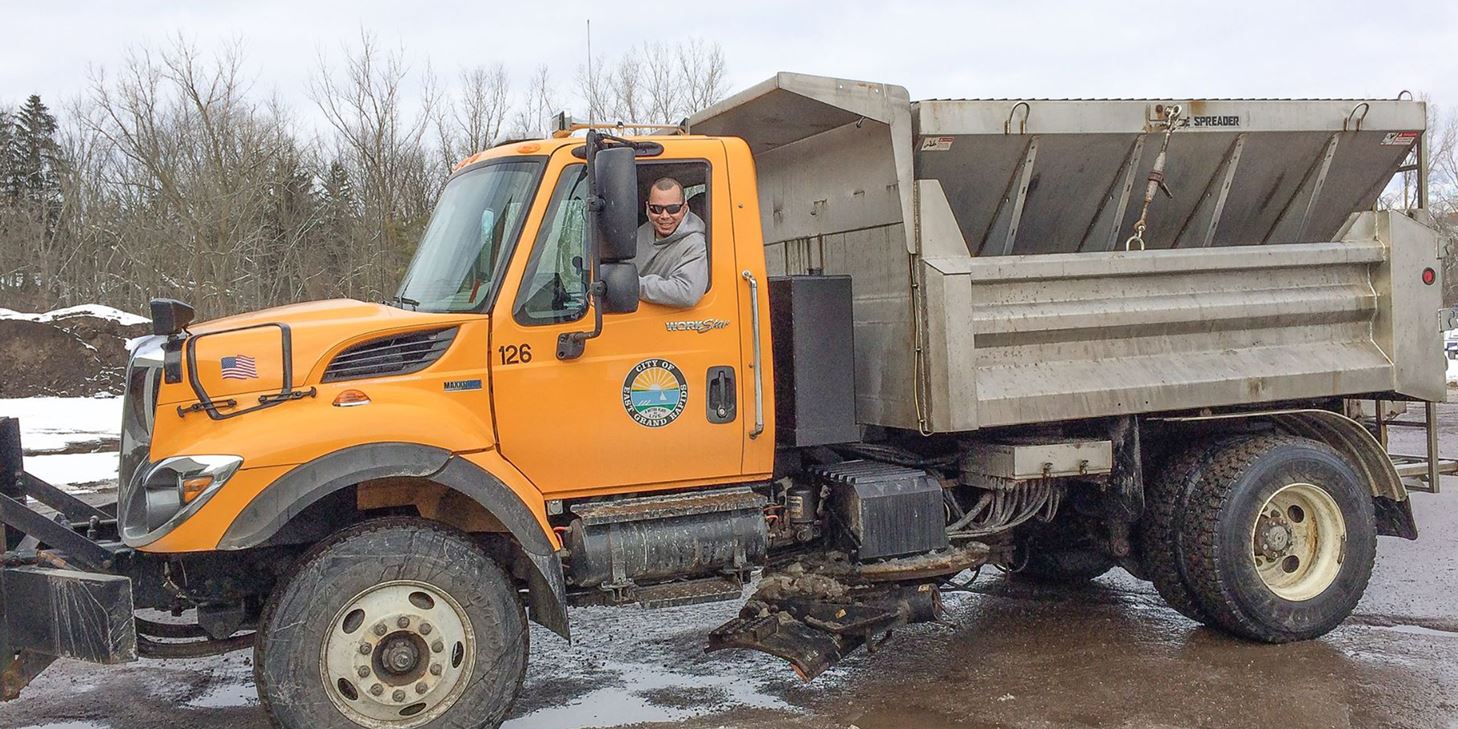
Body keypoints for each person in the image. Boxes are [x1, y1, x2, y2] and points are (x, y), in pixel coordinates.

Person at [635, 177, 708, 307]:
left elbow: (686, 292)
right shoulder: (640, 233)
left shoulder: (695, 244)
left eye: (673, 209)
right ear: (647, 208)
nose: (664, 216)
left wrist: (631, 285)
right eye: (656, 209)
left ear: (684, 208)